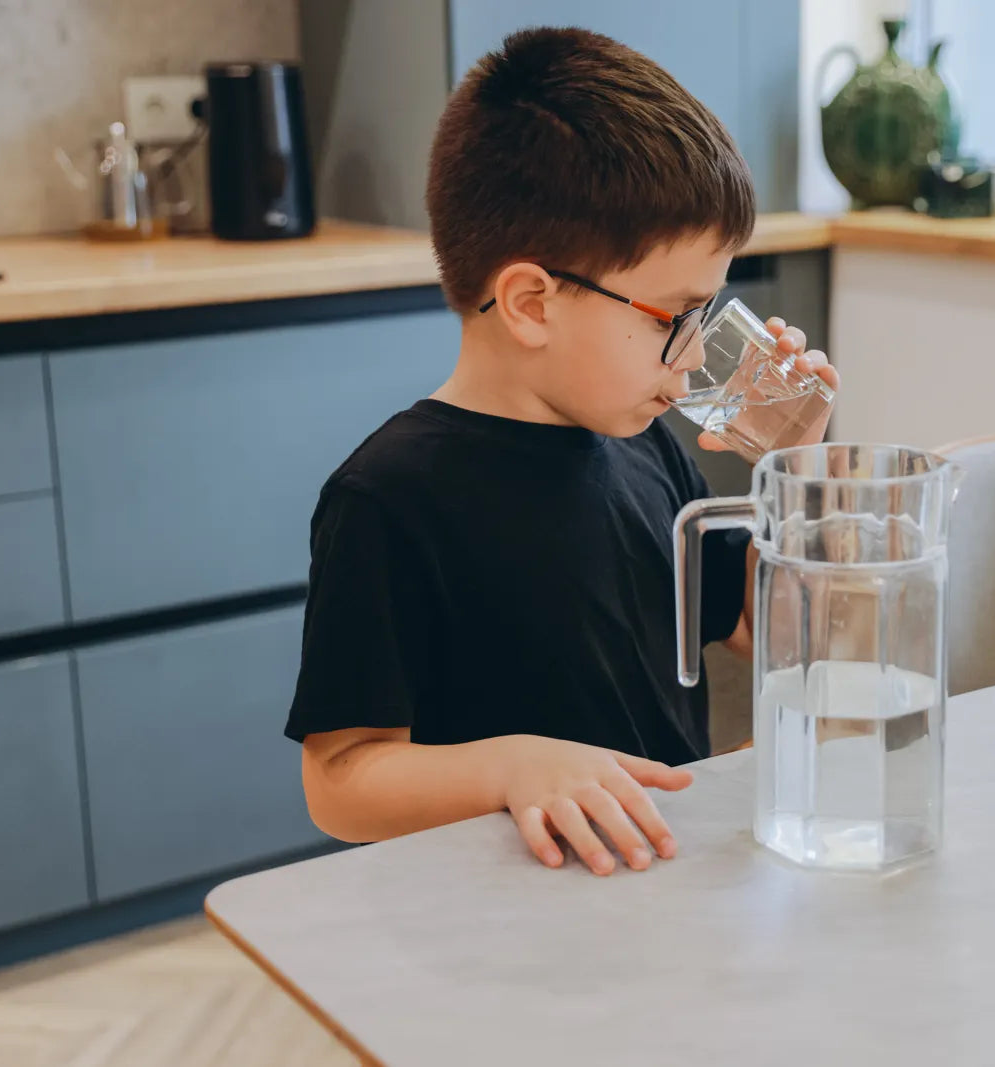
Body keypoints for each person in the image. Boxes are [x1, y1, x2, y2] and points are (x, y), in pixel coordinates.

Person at [285, 26, 839, 876]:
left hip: (662, 891)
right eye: (673, 318)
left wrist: (796, 482)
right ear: (532, 304)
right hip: (508, 927)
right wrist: (512, 765)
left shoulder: (648, 448)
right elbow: (340, 782)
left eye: (708, 315)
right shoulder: (390, 495)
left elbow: (774, 639)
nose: (697, 357)